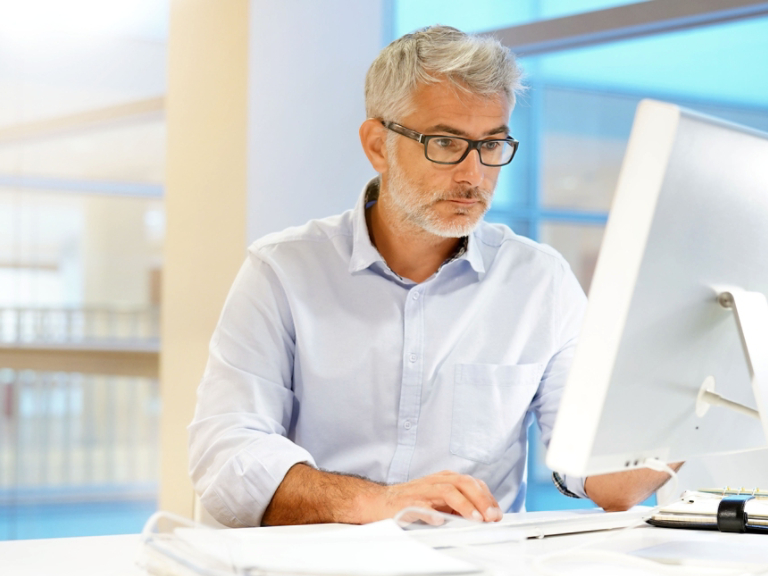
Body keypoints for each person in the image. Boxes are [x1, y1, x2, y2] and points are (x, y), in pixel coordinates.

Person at [188, 25, 678, 528]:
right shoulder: (282, 272)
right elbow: (226, 453)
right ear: (378, 145)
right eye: (445, 142)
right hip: (319, 556)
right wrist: (379, 503)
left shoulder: (540, 281)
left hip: (476, 560)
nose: (473, 175)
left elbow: (604, 476)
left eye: (492, 144)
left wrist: (694, 396)